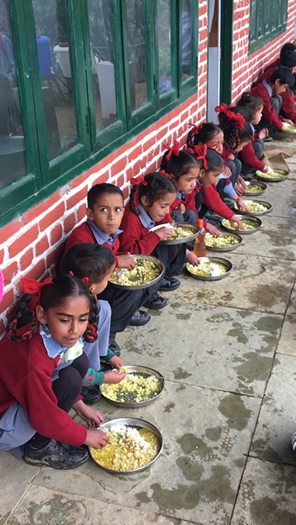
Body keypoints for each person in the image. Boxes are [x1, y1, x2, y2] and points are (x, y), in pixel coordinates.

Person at [0, 274, 109, 469]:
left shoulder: (43, 331)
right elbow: (45, 417)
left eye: (82, 319)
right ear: (42, 314)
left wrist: (80, 405)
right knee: (70, 381)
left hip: (21, 398)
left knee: (79, 362)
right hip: (5, 427)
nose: (75, 330)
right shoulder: (33, 361)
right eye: (65, 320)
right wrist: (84, 436)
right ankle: (37, 448)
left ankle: (43, 438)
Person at [64, 183, 155, 353]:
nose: (112, 217)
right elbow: (87, 271)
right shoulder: (82, 237)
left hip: (102, 281)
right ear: (90, 214)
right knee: (132, 290)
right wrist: (117, 262)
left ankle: (125, 315)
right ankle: (109, 334)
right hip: (85, 290)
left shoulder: (111, 232)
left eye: (118, 210)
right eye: (104, 210)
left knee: (140, 274)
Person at [60, 243, 127, 404]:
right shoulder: (69, 325)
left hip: (78, 351)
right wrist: (102, 378)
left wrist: (109, 355)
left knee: (103, 308)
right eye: (108, 277)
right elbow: (65, 363)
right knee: (76, 371)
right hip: (67, 368)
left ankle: (97, 361)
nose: (110, 280)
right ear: (91, 287)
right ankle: (88, 380)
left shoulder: (87, 298)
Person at [119, 172, 186, 284]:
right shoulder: (131, 220)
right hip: (133, 265)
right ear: (145, 201)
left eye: (169, 205)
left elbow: (164, 217)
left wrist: (168, 220)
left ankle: (167, 273)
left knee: (174, 232)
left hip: (146, 247)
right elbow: (130, 254)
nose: (167, 210)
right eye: (164, 206)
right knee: (162, 247)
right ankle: (152, 289)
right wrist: (155, 236)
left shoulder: (149, 208)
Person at [186, 122, 250, 213]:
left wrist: (237, 199)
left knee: (223, 178)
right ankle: (202, 218)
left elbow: (226, 180)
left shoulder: (214, 157)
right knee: (199, 197)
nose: (220, 148)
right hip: (190, 206)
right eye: (216, 144)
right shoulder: (199, 164)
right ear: (201, 144)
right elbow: (210, 196)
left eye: (222, 143)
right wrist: (230, 215)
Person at [215, 104, 254, 196]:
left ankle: (230, 189)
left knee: (237, 162)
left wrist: (237, 178)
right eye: (243, 145)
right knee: (231, 165)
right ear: (235, 141)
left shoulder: (229, 148)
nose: (242, 149)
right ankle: (223, 195)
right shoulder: (220, 147)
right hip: (213, 180)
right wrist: (233, 186)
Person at [250, 66, 295, 136]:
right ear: (277, 81)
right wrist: (281, 125)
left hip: (261, 118)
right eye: (284, 87)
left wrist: (282, 119)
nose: (284, 90)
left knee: (278, 98)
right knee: (274, 102)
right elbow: (269, 113)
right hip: (255, 124)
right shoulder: (261, 92)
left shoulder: (268, 90)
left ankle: (271, 127)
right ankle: (268, 131)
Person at [236, 92, 273, 175]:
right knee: (258, 145)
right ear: (251, 114)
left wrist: (257, 136)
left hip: (241, 155)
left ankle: (249, 168)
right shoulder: (243, 129)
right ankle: (243, 171)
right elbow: (249, 157)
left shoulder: (248, 126)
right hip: (237, 158)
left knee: (259, 143)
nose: (261, 115)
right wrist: (264, 168)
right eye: (259, 113)